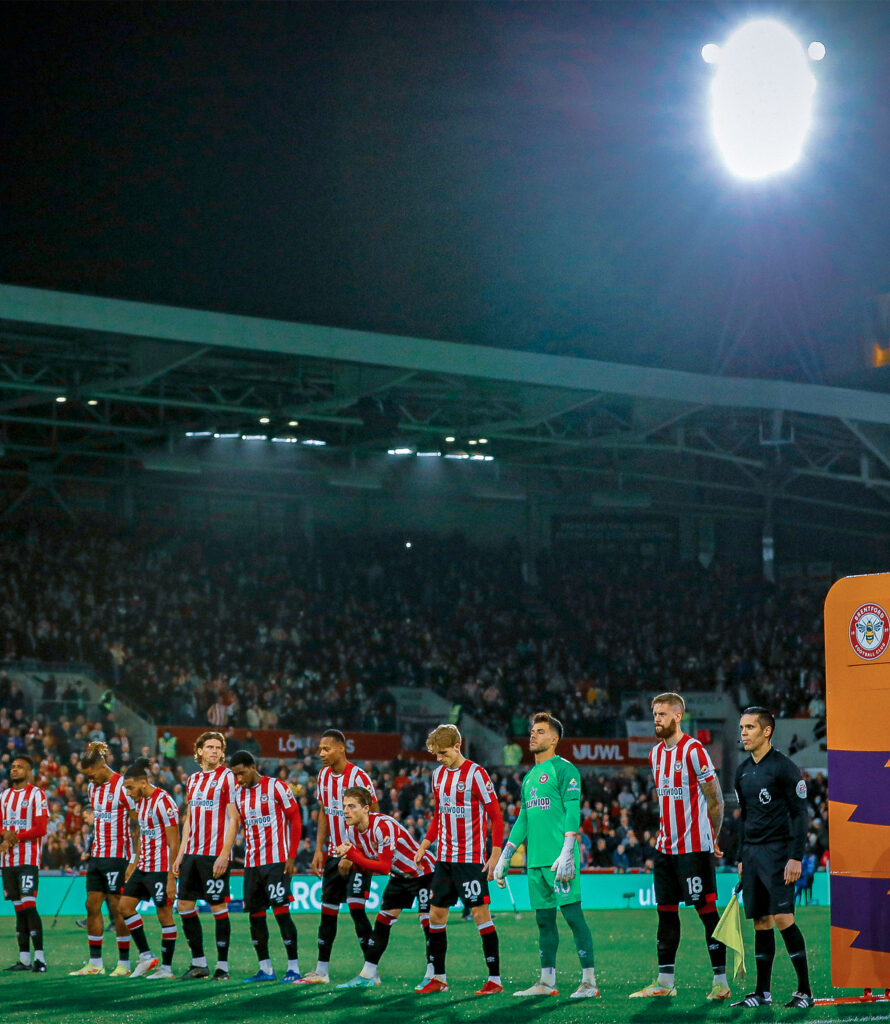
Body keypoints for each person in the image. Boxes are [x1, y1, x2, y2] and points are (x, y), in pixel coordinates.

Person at [630, 692, 729, 1001]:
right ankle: (664, 982)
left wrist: (713, 837)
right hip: (665, 849)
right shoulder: (655, 755)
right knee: (665, 913)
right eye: (654, 714)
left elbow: (716, 799)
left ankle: (721, 982)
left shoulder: (694, 751)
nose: (656, 719)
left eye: (662, 714)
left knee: (707, 912)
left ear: (677, 716)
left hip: (694, 848)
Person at [494, 712, 599, 998]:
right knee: (544, 921)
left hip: (559, 861)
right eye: (532, 731)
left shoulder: (565, 770)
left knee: (573, 918)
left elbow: (573, 811)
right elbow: (523, 820)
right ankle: (546, 981)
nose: (533, 734)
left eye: (540, 731)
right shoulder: (529, 778)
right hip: (536, 862)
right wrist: (506, 854)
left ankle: (589, 982)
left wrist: (568, 851)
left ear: (554, 739)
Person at [731, 707, 814, 1009]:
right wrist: (741, 857)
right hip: (752, 855)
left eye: (750, 727)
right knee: (761, 921)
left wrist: (796, 857)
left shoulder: (784, 768)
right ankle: (762, 993)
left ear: (767, 731)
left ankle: (805, 992)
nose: (743, 733)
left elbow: (800, 814)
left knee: (782, 918)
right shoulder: (742, 771)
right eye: (742, 727)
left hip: (779, 853)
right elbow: (744, 818)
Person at [413, 723, 504, 996]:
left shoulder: (476, 774)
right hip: (444, 859)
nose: (439, 758)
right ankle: (439, 978)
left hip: (470, 860)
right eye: (435, 754)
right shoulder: (438, 775)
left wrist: (495, 853)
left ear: (457, 746)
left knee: (480, 915)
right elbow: (439, 815)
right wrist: (425, 845)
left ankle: (495, 980)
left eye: (443, 753)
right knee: (435, 915)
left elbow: (496, 816)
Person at [332, 785, 436, 989]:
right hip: (400, 876)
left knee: (428, 922)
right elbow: (367, 862)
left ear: (366, 808)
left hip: (424, 873)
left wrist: (352, 856)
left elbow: (383, 866)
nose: (345, 811)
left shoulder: (383, 826)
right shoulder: (352, 832)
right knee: (382, 921)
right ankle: (368, 975)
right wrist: (350, 859)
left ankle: (433, 975)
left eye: (351, 806)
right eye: (344, 806)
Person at [297, 729, 377, 985]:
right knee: (328, 911)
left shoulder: (358, 777)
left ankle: (371, 973)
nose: (321, 753)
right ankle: (322, 971)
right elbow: (324, 812)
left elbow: (373, 816)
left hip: (358, 854)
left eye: (326, 749)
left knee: (356, 909)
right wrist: (319, 849)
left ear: (341, 748)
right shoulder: (323, 775)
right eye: (320, 749)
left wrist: (353, 853)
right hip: (333, 854)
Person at [229, 750, 303, 983]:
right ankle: (266, 969)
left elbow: (295, 818)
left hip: (276, 862)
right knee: (256, 916)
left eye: (241, 773)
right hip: (252, 864)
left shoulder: (276, 787)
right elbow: (240, 825)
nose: (239, 778)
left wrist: (292, 857)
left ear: (253, 767)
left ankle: (294, 968)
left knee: (281, 913)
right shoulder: (238, 794)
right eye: (235, 775)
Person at [172, 731, 238, 980]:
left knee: (218, 906)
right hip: (192, 854)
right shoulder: (193, 780)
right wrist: (180, 855)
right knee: (184, 905)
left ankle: (223, 966)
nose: (214, 751)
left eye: (218, 748)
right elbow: (189, 819)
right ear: (199, 751)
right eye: (209, 747)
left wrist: (224, 854)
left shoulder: (227, 777)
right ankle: (199, 963)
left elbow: (234, 819)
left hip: (214, 854)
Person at [69, 741, 136, 977]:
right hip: (97, 855)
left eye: (91, 775)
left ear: (102, 766)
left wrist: (134, 859)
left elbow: (136, 822)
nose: (90, 780)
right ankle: (95, 963)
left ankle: (124, 964)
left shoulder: (123, 786)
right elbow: (99, 821)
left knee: (118, 909)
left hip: (118, 856)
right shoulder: (92, 788)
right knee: (91, 906)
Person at [120, 758, 180, 979]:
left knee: (164, 915)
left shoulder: (164, 802)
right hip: (143, 866)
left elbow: (175, 842)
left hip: (161, 869)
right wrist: (133, 862)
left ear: (143, 783)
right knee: (125, 906)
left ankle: (167, 969)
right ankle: (146, 956)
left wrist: (172, 878)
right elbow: (141, 834)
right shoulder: (141, 802)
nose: (128, 793)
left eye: (130, 788)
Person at [0, 755, 48, 972]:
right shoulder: (4, 796)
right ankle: (24, 959)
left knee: (29, 905)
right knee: (19, 909)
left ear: (28, 772)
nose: (14, 769)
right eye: (13, 766)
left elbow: (41, 828)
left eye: (20, 767)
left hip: (28, 859)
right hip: (7, 861)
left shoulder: (37, 794)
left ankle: (40, 959)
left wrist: (14, 837)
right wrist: (5, 834)